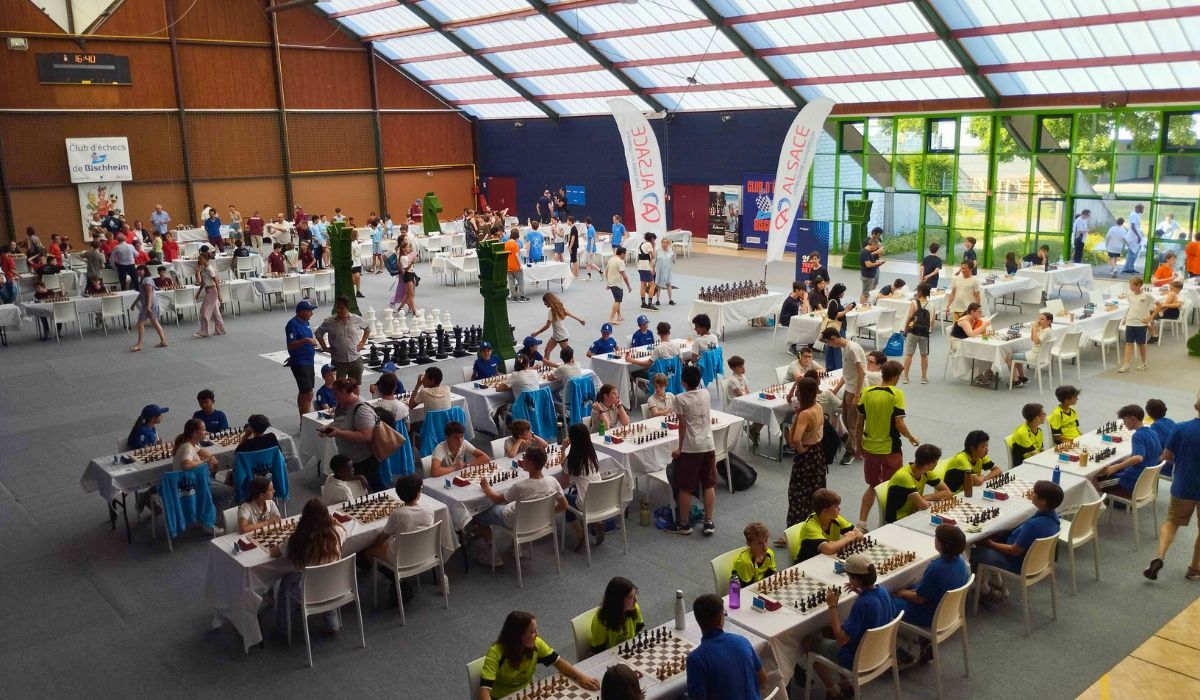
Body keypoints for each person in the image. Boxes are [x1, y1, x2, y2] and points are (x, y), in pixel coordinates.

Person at [802, 553, 899, 698]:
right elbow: (880, 609)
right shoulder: (883, 591)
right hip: (881, 652)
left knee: (807, 642)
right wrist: (860, 592)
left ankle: (834, 692)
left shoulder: (862, 604)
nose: (849, 579)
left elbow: (841, 640)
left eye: (850, 577)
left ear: (856, 580)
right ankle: (846, 685)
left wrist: (832, 607)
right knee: (828, 629)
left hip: (858, 658)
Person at [972, 480, 1063, 601]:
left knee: (974, 552)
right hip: (1036, 561)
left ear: (1043, 501)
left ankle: (987, 592)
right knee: (997, 534)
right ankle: (997, 581)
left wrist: (990, 543)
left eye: (1035, 493)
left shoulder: (1033, 525)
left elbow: (1014, 550)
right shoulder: (1054, 518)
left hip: (1018, 562)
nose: (1032, 493)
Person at [478, 610, 598, 699]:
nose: (537, 634)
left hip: (528, 694)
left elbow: (558, 662)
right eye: (532, 632)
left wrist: (580, 676)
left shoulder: (536, 643)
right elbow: (484, 691)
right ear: (518, 635)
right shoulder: (496, 653)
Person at [855, 360, 918, 528]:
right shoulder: (897, 394)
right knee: (892, 487)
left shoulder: (867, 392)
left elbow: (859, 423)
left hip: (870, 447)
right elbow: (899, 423)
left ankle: (861, 522)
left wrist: (858, 445)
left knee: (872, 486)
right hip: (891, 449)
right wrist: (911, 437)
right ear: (895, 377)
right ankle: (888, 522)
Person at [1145, 390, 1200, 581]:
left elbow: (1166, 456)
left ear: (1196, 407)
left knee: (1172, 521)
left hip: (1183, 485)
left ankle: (1159, 556)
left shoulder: (1181, 428)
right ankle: (1194, 568)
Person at [269, 498, 346, 634]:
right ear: (326, 516)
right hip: (334, 587)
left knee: (287, 580)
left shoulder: (297, 539)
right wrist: (335, 522)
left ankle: (283, 627)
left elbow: (274, 553)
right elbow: (344, 529)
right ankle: (332, 620)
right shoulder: (337, 533)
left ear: (304, 519)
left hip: (309, 593)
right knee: (325, 578)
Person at [894, 524, 969, 645]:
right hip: (949, 612)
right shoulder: (961, 562)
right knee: (911, 587)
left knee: (888, 601)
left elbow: (918, 599)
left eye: (936, 537)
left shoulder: (936, 568)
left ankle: (894, 647)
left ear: (940, 545)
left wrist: (902, 593)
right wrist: (908, 591)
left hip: (931, 615)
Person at [686, 593, 767, 700]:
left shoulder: (695, 659)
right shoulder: (742, 641)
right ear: (721, 620)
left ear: (697, 620)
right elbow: (763, 679)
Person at [668, 365, 716, 536]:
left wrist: (680, 449)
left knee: (685, 487)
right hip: (708, 444)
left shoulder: (680, 398)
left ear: (683, 382)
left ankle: (684, 524)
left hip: (691, 447)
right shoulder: (706, 393)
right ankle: (708, 522)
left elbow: (682, 425)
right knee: (708, 484)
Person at [363, 474, 437, 565]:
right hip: (425, 553)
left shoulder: (397, 513)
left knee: (369, 551)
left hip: (401, 558)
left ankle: (381, 569)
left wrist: (375, 544)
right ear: (418, 493)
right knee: (390, 541)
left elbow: (383, 537)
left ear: (399, 495)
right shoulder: (429, 509)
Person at [320, 378, 380, 488]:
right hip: (348, 457)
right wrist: (327, 427)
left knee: (371, 488)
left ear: (343, 392)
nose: (334, 396)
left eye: (335, 394)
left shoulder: (362, 409)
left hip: (363, 460)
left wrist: (339, 433)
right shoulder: (341, 405)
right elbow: (339, 421)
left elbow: (366, 436)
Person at [821, 327, 867, 467]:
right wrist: (835, 390)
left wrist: (857, 396)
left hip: (856, 390)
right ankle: (858, 444)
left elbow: (861, 373)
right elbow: (847, 374)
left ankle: (851, 451)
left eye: (828, 342)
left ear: (833, 339)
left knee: (852, 422)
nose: (829, 345)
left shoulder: (852, 349)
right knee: (846, 419)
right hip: (849, 388)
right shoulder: (845, 348)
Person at [1094, 404, 1161, 497]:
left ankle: (1101, 502)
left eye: (1125, 421)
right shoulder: (1153, 432)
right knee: (1116, 466)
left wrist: (1117, 467)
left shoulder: (1138, 435)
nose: (1124, 424)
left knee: (1094, 479)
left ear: (1133, 419)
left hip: (1132, 480)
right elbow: (1159, 456)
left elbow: (1138, 458)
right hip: (1146, 479)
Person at [785, 376, 826, 526]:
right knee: (815, 489)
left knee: (798, 492)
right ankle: (815, 522)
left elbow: (795, 440)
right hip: (817, 453)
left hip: (806, 456)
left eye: (798, 390)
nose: (796, 393)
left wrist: (801, 451)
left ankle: (796, 525)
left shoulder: (805, 414)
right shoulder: (818, 406)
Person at [557, 422, 604, 548]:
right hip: (603, 498)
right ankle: (598, 522)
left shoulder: (572, 461)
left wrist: (563, 449)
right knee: (574, 493)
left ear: (572, 440)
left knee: (564, 499)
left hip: (586, 502)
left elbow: (563, 485)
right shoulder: (592, 455)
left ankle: (580, 533)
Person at [884, 443, 952, 523]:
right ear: (929, 465)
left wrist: (924, 498)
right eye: (936, 462)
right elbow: (924, 506)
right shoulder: (904, 476)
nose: (937, 464)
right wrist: (922, 501)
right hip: (898, 520)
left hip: (914, 514)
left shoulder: (926, 472)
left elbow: (948, 493)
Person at [792, 488, 862, 562]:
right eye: (835, 507)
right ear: (825, 511)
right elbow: (828, 550)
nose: (839, 509)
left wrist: (835, 544)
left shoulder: (835, 518)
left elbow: (860, 535)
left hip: (827, 558)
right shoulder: (811, 526)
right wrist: (847, 538)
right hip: (807, 562)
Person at [315, 296, 370, 384]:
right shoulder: (330, 321)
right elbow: (318, 333)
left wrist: (362, 342)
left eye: (341, 308)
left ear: (348, 308)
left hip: (355, 359)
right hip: (338, 361)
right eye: (337, 308)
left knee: (355, 386)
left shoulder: (356, 319)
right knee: (339, 388)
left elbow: (367, 328)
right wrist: (324, 347)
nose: (338, 310)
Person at [934, 430, 1001, 495]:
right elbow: (977, 482)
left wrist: (984, 478)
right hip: (953, 493)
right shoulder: (962, 459)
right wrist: (981, 479)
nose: (987, 449)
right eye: (983, 447)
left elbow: (998, 470)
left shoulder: (981, 456)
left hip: (968, 490)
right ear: (972, 448)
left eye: (987, 446)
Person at [588, 577, 645, 653]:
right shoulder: (601, 621)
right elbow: (597, 650)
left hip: (629, 651)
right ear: (618, 600)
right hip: (609, 656)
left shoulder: (635, 608)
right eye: (630, 597)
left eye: (635, 595)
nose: (635, 600)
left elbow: (637, 633)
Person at [284, 300, 321, 415]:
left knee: (306, 392)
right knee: (307, 392)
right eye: (309, 311)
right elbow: (290, 345)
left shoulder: (306, 322)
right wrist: (307, 340)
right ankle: (305, 418)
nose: (312, 313)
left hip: (309, 361)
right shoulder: (292, 325)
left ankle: (304, 417)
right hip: (300, 362)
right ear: (301, 312)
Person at [530, 292, 583, 362]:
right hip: (556, 335)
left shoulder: (551, 312)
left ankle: (575, 366)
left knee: (568, 355)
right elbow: (569, 313)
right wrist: (579, 320)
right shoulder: (560, 308)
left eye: (545, 302)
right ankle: (546, 367)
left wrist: (537, 333)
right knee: (547, 351)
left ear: (549, 301)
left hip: (561, 336)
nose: (544, 304)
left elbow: (547, 326)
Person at [1119, 275, 1157, 373]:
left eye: (1132, 285)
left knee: (1141, 344)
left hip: (1141, 324)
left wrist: (1150, 318)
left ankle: (1144, 363)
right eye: (1130, 285)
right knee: (1128, 343)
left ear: (1139, 285)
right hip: (1130, 322)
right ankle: (1126, 365)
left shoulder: (1147, 296)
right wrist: (1125, 318)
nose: (1130, 287)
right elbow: (1131, 306)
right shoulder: (1130, 295)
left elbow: (1159, 305)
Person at [128, 264, 168, 352]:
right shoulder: (143, 280)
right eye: (138, 270)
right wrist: (134, 303)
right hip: (149, 304)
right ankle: (163, 341)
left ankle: (140, 344)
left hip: (149, 305)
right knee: (155, 323)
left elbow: (149, 294)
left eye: (141, 270)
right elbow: (142, 294)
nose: (139, 271)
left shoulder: (146, 280)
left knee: (140, 323)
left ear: (145, 271)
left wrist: (148, 307)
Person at [725, 355, 762, 446]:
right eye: (740, 367)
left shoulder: (743, 377)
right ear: (733, 368)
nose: (743, 368)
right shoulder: (732, 380)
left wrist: (753, 398)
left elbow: (747, 391)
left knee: (763, 410)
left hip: (744, 401)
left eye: (743, 366)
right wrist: (752, 401)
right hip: (737, 406)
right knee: (762, 411)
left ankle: (753, 429)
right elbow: (740, 396)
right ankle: (753, 429)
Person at [901, 283, 933, 384]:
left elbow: (910, 317)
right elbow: (932, 321)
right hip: (924, 333)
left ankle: (906, 377)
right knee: (924, 355)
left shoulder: (914, 302)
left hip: (913, 331)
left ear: (919, 292)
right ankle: (923, 378)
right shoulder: (932, 305)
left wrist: (905, 329)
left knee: (909, 354)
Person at [1008, 311, 1051, 385]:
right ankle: (1022, 377)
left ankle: (1016, 381)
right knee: (1016, 353)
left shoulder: (1046, 332)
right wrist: (1033, 329)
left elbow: (1036, 341)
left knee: (1008, 357)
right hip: (1039, 355)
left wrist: (1034, 327)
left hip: (1034, 356)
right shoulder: (1047, 329)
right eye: (1039, 318)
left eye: (1042, 319)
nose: (1039, 321)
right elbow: (1032, 339)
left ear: (1049, 321)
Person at [193, 251, 225, 338]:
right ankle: (220, 328)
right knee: (215, 312)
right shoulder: (204, 269)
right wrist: (198, 292)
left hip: (212, 291)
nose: (199, 260)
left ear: (205, 259)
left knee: (204, 311)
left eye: (200, 258)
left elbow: (216, 282)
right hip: (208, 290)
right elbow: (202, 283)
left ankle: (204, 331)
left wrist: (219, 294)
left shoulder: (210, 269)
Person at [823, 283, 851, 371]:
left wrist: (845, 309)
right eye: (842, 292)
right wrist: (846, 310)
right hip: (837, 328)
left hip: (836, 328)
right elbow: (833, 315)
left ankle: (830, 367)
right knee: (837, 349)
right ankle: (838, 369)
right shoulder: (833, 302)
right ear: (838, 292)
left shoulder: (835, 300)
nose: (843, 294)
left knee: (831, 348)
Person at [1146, 398, 1177, 477]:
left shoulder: (1154, 427)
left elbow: (1153, 451)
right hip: (1177, 462)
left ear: (1148, 413)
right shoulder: (1170, 421)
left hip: (1168, 465)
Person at [1009, 403, 1046, 467]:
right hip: (1024, 466)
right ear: (1037, 418)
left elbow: (1041, 449)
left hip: (1036, 460)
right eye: (1044, 414)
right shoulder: (1022, 433)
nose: (1045, 415)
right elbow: (1032, 456)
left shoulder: (1039, 431)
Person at [605, 246, 632, 324]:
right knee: (617, 300)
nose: (625, 256)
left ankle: (619, 315)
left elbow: (606, 272)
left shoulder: (611, 259)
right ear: (622, 254)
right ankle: (611, 318)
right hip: (617, 284)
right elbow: (624, 276)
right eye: (625, 254)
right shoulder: (620, 262)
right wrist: (628, 286)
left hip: (611, 283)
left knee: (617, 300)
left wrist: (608, 282)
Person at [635, 232, 657, 310]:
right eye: (654, 240)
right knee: (653, 285)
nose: (654, 241)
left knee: (643, 285)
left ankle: (643, 303)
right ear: (652, 239)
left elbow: (646, 257)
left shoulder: (642, 244)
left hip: (640, 267)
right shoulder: (649, 244)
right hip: (646, 268)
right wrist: (654, 247)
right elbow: (653, 256)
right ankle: (650, 304)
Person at [859, 237, 883, 303]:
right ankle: (862, 305)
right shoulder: (865, 252)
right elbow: (868, 264)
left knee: (867, 293)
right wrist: (877, 263)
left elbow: (872, 261)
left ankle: (865, 304)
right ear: (873, 244)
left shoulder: (869, 252)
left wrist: (877, 263)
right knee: (865, 294)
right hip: (867, 276)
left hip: (870, 275)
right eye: (876, 246)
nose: (877, 248)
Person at [654, 235, 677, 306]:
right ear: (661, 243)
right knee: (658, 285)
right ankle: (657, 300)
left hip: (668, 270)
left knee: (668, 284)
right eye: (663, 242)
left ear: (668, 243)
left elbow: (674, 261)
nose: (665, 244)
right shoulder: (657, 250)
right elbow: (654, 261)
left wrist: (674, 258)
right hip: (659, 270)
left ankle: (670, 300)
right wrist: (652, 269)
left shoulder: (671, 251)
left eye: (666, 242)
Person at [1122, 204, 1145, 274]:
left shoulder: (1136, 215)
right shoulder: (1134, 215)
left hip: (1135, 237)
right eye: (1142, 208)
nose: (1143, 210)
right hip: (1133, 237)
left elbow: (1136, 227)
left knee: (1135, 253)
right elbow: (1132, 226)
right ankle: (1127, 268)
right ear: (1138, 208)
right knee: (1132, 253)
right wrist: (1138, 236)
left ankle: (1131, 268)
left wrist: (1140, 235)